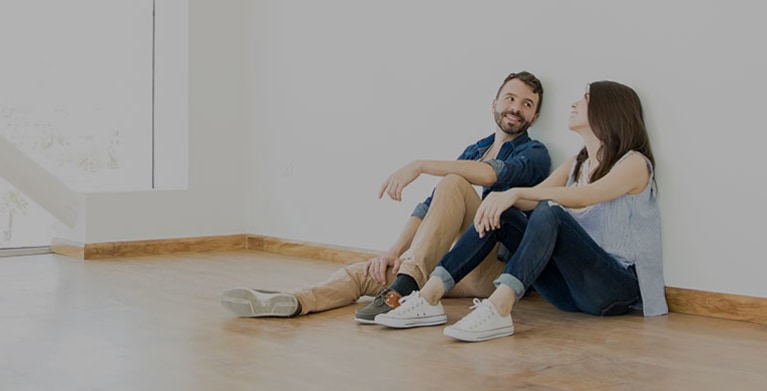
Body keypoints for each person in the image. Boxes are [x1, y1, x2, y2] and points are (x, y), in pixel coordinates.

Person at [220, 71, 551, 322]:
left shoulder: (536, 152)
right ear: (494, 104)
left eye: (526, 104)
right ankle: (296, 301)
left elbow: (493, 175)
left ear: (534, 117)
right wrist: (392, 253)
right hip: (455, 264)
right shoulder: (474, 150)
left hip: (494, 271)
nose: (516, 108)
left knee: (453, 181)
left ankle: (405, 285)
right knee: (367, 272)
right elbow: (429, 207)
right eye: (510, 98)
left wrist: (420, 164)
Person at [374, 80, 668, 342]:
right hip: (569, 293)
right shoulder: (577, 163)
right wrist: (501, 201)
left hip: (614, 291)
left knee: (550, 210)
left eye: (586, 98)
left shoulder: (635, 163)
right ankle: (429, 296)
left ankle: (499, 307)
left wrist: (514, 192)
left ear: (608, 111)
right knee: (506, 213)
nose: (575, 103)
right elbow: (531, 200)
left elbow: (580, 197)